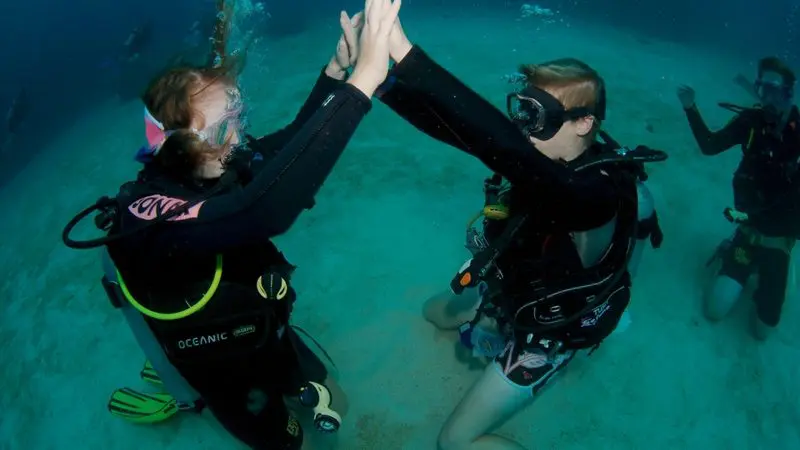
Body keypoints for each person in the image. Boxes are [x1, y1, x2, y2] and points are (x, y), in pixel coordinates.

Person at [61, 1, 402, 448]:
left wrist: (338, 71)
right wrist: (362, 86)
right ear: (176, 145)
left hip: (262, 330)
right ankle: (186, 394)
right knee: (287, 441)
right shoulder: (149, 214)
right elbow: (264, 212)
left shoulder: (214, 163)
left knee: (330, 390)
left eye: (239, 117)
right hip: (224, 371)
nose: (238, 137)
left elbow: (288, 148)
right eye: (225, 129)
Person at [348, 17, 665, 450]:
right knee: (432, 313)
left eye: (536, 115)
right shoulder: (542, 153)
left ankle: (551, 363)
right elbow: (464, 133)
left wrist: (405, 55)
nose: (521, 125)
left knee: (454, 442)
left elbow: (499, 144)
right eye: (521, 108)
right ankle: (489, 319)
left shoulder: (595, 194)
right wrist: (375, 81)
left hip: (546, 331)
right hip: (513, 286)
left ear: (583, 123)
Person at [677, 56, 800, 340]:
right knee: (714, 309)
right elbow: (709, 146)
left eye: (773, 89)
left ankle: (778, 265)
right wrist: (689, 106)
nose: (766, 96)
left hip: (779, 238)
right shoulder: (751, 122)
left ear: (788, 92)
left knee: (764, 330)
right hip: (749, 229)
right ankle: (731, 252)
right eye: (762, 88)